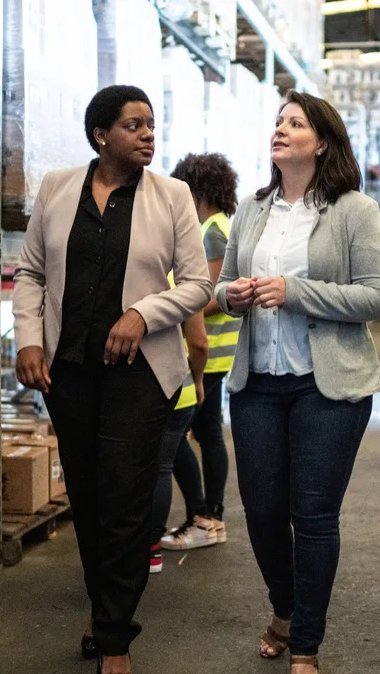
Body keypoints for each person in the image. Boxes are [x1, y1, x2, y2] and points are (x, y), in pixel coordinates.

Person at [11, 84, 212, 674]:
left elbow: (198, 285)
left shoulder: (172, 196)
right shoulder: (56, 188)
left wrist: (142, 314)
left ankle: (115, 640)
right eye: (134, 125)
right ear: (101, 135)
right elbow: (30, 272)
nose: (149, 134)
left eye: (152, 124)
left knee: (124, 502)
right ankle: (104, 611)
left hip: (140, 375)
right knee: (91, 499)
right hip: (69, 370)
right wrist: (27, 338)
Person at [216, 91, 380, 674]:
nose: (281, 129)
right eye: (277, 122)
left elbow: (378, 296)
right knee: (263, 511)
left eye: (295, 123)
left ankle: (307, 645)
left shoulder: (353, 210)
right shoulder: (251, 209)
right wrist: (233, 297)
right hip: (258, 383)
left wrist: (298, 293)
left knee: (312, 514)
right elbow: (221, 288)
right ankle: (285, 612)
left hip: (328, 385)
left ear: (321, 142)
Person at [158, 152, 240, 550]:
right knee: (204, 432)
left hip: (207, 351)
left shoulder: (212, 230)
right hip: (209, 349)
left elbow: (204, 295)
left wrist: (171, 307)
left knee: (185, 436)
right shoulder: (218, 226)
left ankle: (205, 517)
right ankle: (207, 517)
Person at [149, 288, 208, 573]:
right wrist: (197, 380)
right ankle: (200, 513)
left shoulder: (138, 269)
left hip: (149, 393)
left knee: (159, 466)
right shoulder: (184, 280)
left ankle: (150, 550)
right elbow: (199, 344)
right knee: (175, 452)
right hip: (181, 391)